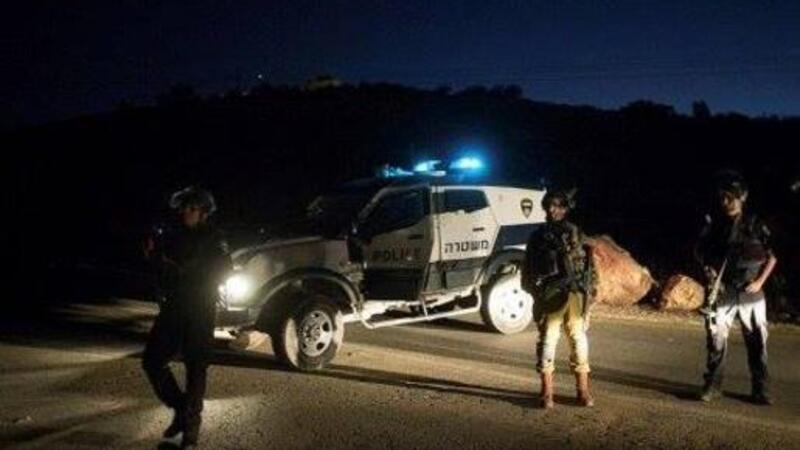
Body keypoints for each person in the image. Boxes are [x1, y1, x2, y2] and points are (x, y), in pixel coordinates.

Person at [142, 186, 231, 447]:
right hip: (174, 307)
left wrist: (192, 272)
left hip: (200, 309)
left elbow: (224, 269)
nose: (186, 213)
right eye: (184, 208)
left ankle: (191, 429)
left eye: (192, 208)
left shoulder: (215, 237)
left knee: (196, 366)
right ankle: (181, 408)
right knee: (152, 360)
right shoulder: (173, 235)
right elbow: (162, 270)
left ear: (204, 212)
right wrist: (153, 256)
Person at [695, 172, 778, 405]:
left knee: (757, 341)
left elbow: (772, 256)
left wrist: (760, 282)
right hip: (725, 289)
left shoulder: (756, 224)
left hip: (752, 291)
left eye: (730, 197)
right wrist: (709, 271)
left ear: (742, 198)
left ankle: (761, 389)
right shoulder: (716, 225)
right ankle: (713, 386)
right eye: (722, 197)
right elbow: (702, 253)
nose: (725, 202)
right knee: (716, 339)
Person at [522, 189, 597, 409]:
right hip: (550, 295)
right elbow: (527, 270)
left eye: (557, 206)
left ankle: (582, 390)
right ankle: (547, 392)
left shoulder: (576, 233)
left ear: (565, 209)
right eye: (549, 205)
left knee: (579, 341)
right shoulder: (538, 236)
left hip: (574, 294)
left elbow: (589, 267)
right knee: (548, 342)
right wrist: (536, 295)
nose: (552, 210)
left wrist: (590, 296)